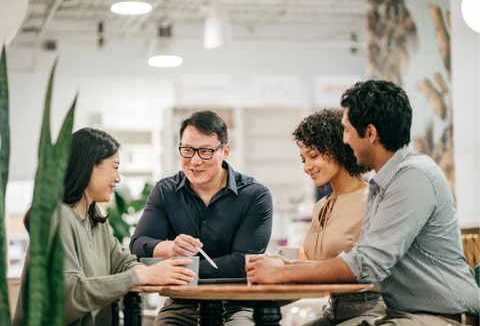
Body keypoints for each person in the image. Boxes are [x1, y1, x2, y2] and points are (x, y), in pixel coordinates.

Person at [246, 80, 480, 326]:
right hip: (401, 316)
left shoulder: (413, 175)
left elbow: (366, 265)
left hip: (445, 317)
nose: (344, 140)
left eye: (346, 130)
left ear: (370, 133)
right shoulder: (384, 182)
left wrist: (284, 271)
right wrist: (286, 265)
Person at [14, 128, 196, 326]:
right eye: (115, 167)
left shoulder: (96, 218)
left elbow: (120, 261)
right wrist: (138, 275)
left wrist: (149, 271)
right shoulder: (57, 216)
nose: (118, 178)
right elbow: (68, 294)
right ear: (90, 166)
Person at [130, 110, 273, 326]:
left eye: (205, 151)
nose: (194, 161)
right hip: (181, 303)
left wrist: (178, 268)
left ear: (225, 151)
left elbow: (243, 262)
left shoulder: (254, 195)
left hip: (235, 305)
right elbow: (138, 245)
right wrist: (169, 249)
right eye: (187, 150)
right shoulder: (165, 191)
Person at [292, 109, 385, 325]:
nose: (307, 167)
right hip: (333, 311)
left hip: (371, 312)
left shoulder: (373, 199)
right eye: (303, 159)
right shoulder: (320, 207)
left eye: (313, 156)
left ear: (338, 148)